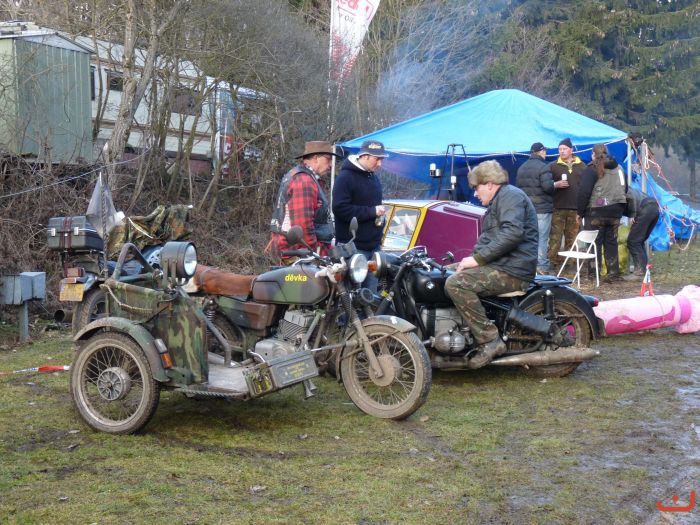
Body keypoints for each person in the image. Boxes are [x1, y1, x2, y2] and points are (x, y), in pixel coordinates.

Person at [445, 160, 538, 368]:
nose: (475, 194)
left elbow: (512, 233)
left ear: (489, 184)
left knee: (456, 284)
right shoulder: (499, 201)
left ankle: (490, 340)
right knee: (442, 274)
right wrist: (469, 261)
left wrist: (477, 260)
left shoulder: (510, 196)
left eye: (476, 188)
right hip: (503, 264)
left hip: (513, 270)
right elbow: (488, 241)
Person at [332, 139, 388, 292]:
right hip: (353, 249)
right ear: (365, 156)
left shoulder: (373, 177)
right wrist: (372, 212)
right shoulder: (345, 178)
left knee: (370, 293)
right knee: (352, 295)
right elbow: (340, 209)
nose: (380, 164)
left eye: (382, 159)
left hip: (374, 249)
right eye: (377, 159)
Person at [269, 141, 337, 263]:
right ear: (316, 158)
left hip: (297, 252)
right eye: (328, 159)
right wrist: (314, 257)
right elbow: (303, 226)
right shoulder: (303, 181)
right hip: (297, 255)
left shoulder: (303, 176)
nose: (331, 165)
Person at [576, 143, 628, 282]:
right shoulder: (619, 168)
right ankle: (613, 273)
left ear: (593, 154)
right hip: (616, 210)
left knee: (594, 243)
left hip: (596, 211)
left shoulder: (592, 169)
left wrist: (580, 212)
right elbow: (625, 188)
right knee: (611, 242)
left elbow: (584, 192)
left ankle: (594, 275)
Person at [548, 138, 586, 270]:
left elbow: (586, 187)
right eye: (560, 149)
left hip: (575, 208)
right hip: (558, 207)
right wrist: (555, 184)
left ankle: (570, 265)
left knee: (572, 237)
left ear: (571, 150)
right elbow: (545, 184)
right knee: (555, 237)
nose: (562, 151)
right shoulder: (553, 166)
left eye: (564, 149)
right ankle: (551, 262)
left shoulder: (582, 165)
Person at [516, 142, 554, 273]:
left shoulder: (521, 168)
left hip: (526, 210)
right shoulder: (544, 167)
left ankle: (528, 264)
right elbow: (548, 187)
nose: (545, 153)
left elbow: (519, 190)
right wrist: (555, 185)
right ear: (541, 152)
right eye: (544, 151)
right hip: (542, 208)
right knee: (542, 238)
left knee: (529, 238)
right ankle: (541, 266)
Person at [623, 187, 660, 280]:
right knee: (639, 241)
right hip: (654, 208)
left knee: (633, 241)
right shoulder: (624, 187)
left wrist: (632, 214)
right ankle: (643, 270)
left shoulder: (621, 188)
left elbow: (631, 197)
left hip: (646, 208)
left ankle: (639, 272)